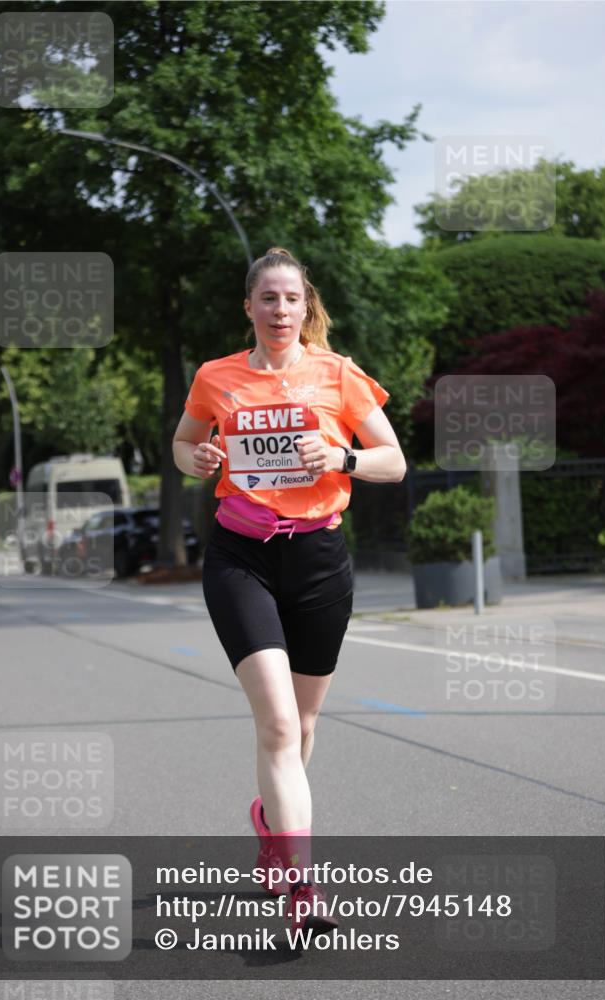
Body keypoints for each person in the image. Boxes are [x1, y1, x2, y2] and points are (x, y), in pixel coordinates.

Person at [172, 247, 406, 935]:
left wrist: (341, 457)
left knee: (302, 727)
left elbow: (391, 462)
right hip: (241, 555)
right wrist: (201, 458)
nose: (279, 310)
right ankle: (304, 887)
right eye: (267, 299)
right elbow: (185, 445)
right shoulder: (217, 377)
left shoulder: (338, 375)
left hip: (319, 557)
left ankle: (271, 826)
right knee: (276, 722)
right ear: (248, 307)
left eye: (291, 299)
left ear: (307, 308)